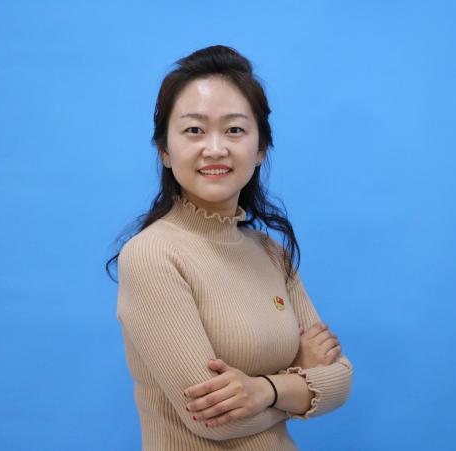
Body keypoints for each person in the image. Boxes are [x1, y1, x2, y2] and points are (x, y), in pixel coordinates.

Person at [105, 45, 353, 450]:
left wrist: (265, 390)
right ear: (164, 150)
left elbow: (342, 379)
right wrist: (299, 379)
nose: (216, 148)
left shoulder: (271, 252)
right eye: (194, 130)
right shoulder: (152, 254)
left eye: (234, 130)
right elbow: (213, 420)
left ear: (260, 149)